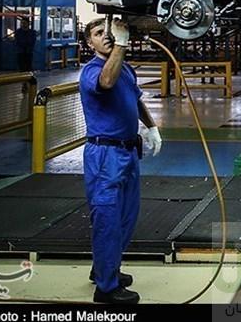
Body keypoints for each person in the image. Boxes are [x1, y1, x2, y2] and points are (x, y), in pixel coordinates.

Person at [79, 17, 163, 304]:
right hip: (105, 156)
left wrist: (151, 127)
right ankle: (106, 289)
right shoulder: (92, 71)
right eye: (98, 33)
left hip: (128, 152)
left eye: (108, 31)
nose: (106, 36)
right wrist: (122, 44)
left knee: (126, 216)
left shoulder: (125, 68)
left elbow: (136, 99)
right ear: (89, 42)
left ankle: (105, 268)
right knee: (108, 218)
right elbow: (106, 82)